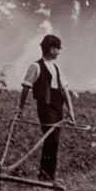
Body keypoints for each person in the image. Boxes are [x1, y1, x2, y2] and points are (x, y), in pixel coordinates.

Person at [18, 34, 76, 181]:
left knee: (53, 141)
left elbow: (64, 90)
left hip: (57, 107)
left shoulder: (56, 68)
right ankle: (46, 175)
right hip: (45, 108)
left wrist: (70, 110)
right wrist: (21, 109)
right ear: (51, 49)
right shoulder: (36, 66)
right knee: (52, 139)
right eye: (58, 49)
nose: (59, 52)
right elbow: (26, 88)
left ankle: (48, 175)